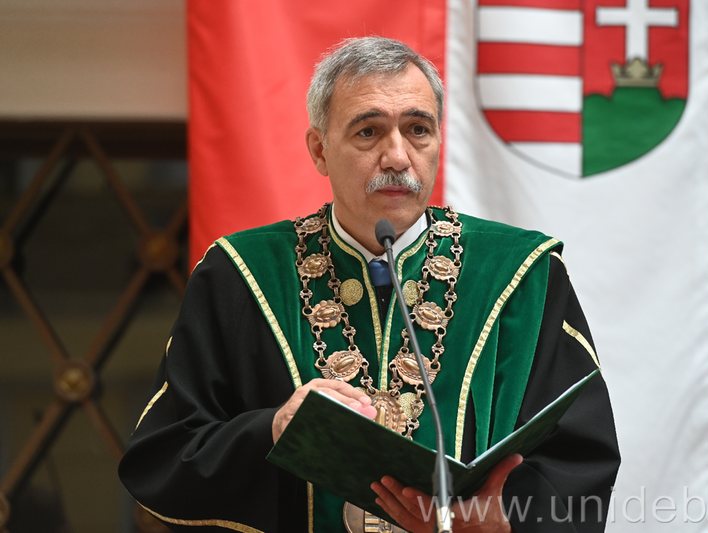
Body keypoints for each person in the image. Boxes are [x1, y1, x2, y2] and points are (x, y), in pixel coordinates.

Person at [119, 37, 620, 533]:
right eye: (368, 132)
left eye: (418, 129)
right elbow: (165, 457)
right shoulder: (238, 275)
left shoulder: (524, 275)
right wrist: (271, 429)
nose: (397, 156)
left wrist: (506, 517)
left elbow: (581, 459)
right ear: (319, 150)